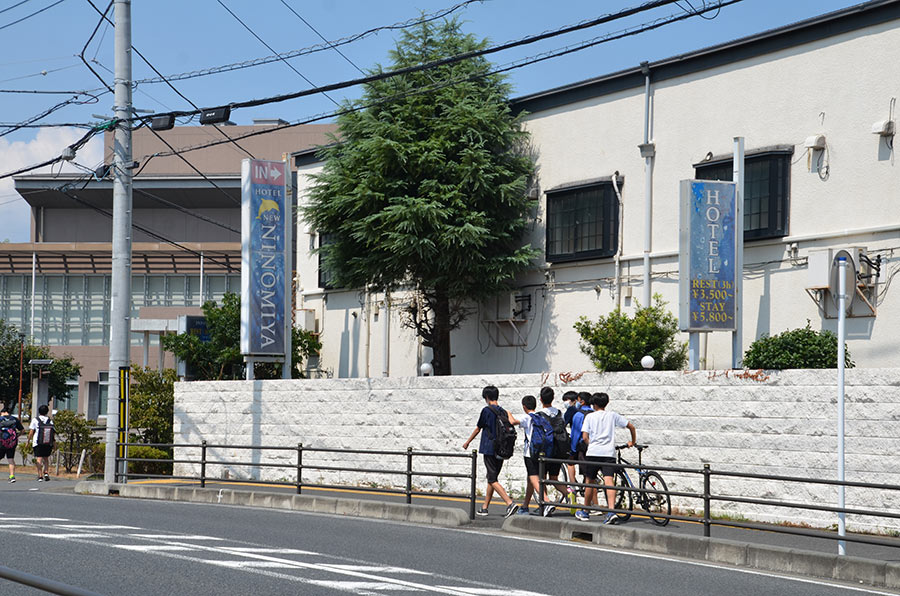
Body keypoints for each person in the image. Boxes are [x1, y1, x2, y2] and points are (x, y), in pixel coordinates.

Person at [577, 392, 636, 523]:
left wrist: (590, 444)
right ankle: (611, 511)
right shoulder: (612, 415)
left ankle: (585, 511)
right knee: (609, 481)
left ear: (594, 404)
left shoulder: (590, 417)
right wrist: (632, 441)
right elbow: (631, 426)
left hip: (593, 452)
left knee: (590, 481)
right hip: (608, 453)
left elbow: (585, 437)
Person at [462, 386, 519, 518]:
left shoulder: (486, 411)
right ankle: (484, 507)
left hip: (489, 448)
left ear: (487, 397)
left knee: (492, 478)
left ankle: (509, 503)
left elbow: (478, 428)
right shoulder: (503, 411)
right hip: (502, 448)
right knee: (492, 477)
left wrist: (467, 442)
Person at [508, 395, 555, 517]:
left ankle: (547, 502)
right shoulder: (540, 417)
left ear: (524, 406)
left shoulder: (527, 417)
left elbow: (512, 422)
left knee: (534, 478)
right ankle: (525, 506)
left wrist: (507, 412)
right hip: (541, 452)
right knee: (530, 479)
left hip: (530, 453)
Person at [538, 387, 572, 506]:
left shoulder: (539, 415)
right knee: (553, 478)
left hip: (545, 451)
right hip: (558, 450)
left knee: (541, 479)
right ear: (553, 398)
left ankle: (545, 504)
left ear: (541, 399)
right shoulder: (559, 413)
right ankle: (569, 493)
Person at [568, 392, 594, 508]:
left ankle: (590, 504)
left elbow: (575, 434)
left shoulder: (578, 415)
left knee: (589, 477)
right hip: (595, 447)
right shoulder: (594, 414)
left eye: (578, 400)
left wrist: (572, 451)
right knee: (589, 474)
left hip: (583, 448)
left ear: (582, 401)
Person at [28, 404, 54, 482]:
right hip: (47, 442)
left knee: (39, 458)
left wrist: (28, 440)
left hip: (37, 442)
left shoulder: (35, 420)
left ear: (39, 411)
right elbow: (53, 432)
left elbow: (31, 432)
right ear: (47, 412)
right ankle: (46, 472)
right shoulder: (50, 420)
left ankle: (40, 476)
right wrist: (54, 442)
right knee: (46, 458)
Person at [0, 407, 24, 483]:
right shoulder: (15, 419)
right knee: (11, 459)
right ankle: (12, 476)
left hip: (1, 443)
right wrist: (17, 436)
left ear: (3, 412)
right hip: (12, 443)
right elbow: (22, 430)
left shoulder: (0, 419)